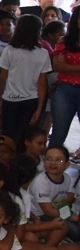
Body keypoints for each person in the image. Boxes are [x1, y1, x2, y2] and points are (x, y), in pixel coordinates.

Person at [0, 14, 50, 142]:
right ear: (38, 31)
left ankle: (6, 160)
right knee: (23, 136)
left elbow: (3, 78)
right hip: (31, 100)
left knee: (7, 134)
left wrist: (1, 100)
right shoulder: (43, 54)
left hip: (10, 99)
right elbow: (42, 84)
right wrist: (39, 108)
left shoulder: (10, 50)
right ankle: (20, 160)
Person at [51, 10, 80, 147]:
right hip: (65, 91)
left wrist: (67, 65)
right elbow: (57, 65)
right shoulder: (65, 40)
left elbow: (62, 65)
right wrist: (63, 66)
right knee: (58, 133)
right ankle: (51, 167)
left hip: (67, 87)